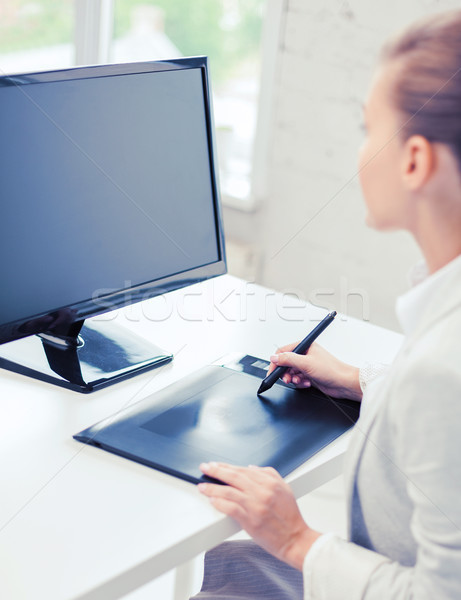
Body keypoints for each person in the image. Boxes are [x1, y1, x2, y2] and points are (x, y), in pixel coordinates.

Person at [192, 9, 461, 600]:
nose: (361, 151)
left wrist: (294, 539)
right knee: (228, 562)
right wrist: (362, 380)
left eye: (369, 130)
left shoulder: (444, 365)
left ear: (415, 160)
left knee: (239, 569)